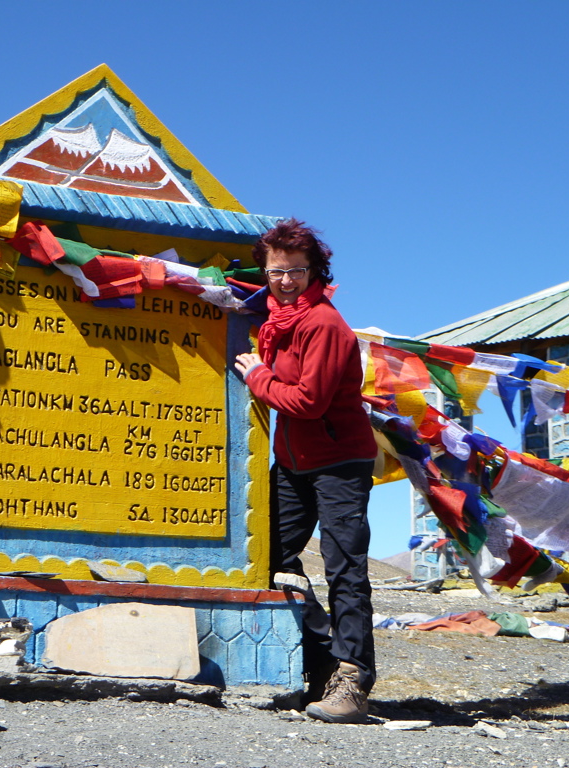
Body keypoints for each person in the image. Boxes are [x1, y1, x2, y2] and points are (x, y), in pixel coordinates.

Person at [234, 219, 378, 724]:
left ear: (316, 270)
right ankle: (321, 665)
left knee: (343, 567)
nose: (287, 280)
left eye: (298, 271)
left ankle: (353, 680)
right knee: (267, 549)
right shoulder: (276, 321)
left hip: (340, 461)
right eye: (277, 271)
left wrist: (257, 376)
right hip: (295, 463)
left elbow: (309, 402)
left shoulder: (323, 324)